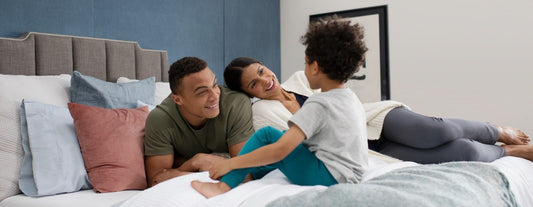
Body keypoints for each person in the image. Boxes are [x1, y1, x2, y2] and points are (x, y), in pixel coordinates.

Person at [222, 56, 532, 163]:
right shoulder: (262, 113)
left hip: (374, 119)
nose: (265, 80)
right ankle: (511, 153)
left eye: (261, 71)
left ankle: (497, 130)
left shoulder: (301, 78)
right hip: (366, 149)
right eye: (253, 83)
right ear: (247, 93)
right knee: (461, 153)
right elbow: (289, 145)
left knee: (436, 131)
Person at [191, 16, 369, 198]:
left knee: (268, 135)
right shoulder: (350, 98)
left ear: (315, 67)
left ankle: (222, 187)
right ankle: (253, 172)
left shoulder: (319, 103)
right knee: (285, 138)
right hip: (351, 176)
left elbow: (280, 150)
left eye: (306, 63)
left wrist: (230, 164)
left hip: (329, 177)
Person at [143, 57, 255, 187]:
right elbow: (156, 180)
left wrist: (183, 168)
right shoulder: (160, 119)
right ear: (178, 100)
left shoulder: (236, 104)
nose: (214, 96)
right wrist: (195, 163)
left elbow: (247, 172)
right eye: (202, 92)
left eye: (214, 85)